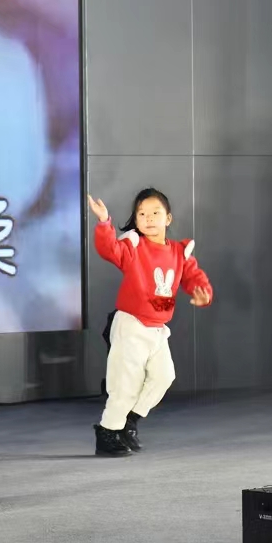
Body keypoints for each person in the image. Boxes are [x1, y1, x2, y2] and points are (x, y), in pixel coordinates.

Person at [87, 188, 213, 457]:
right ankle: (108, 432)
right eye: (142, 214)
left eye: (155, 213)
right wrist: (104, 222)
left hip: (157, 330)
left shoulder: (179, 252)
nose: (149, 218)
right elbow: (109, 249)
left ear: (168, 218)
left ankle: (129, 420)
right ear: (136, 219)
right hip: (131, 325)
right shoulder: (133, 247)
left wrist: (202, 293)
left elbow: (194, 277)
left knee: (164, 377)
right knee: (125, 383)